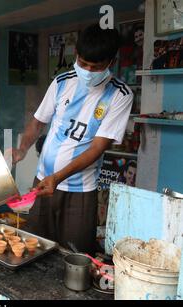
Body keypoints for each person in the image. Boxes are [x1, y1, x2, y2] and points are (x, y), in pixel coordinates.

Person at [12, 24, 133, 255]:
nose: (87, 70)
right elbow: (38, 122)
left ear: (110, 63)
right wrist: (22, 149)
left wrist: (57, 177)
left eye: (95, 67)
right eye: (82, 63)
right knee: (33, 247)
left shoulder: (120, 95)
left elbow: (97, 148)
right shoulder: (62, 82)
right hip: (43, 183)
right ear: (76, 56)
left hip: (80, 192)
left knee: (73, 255)